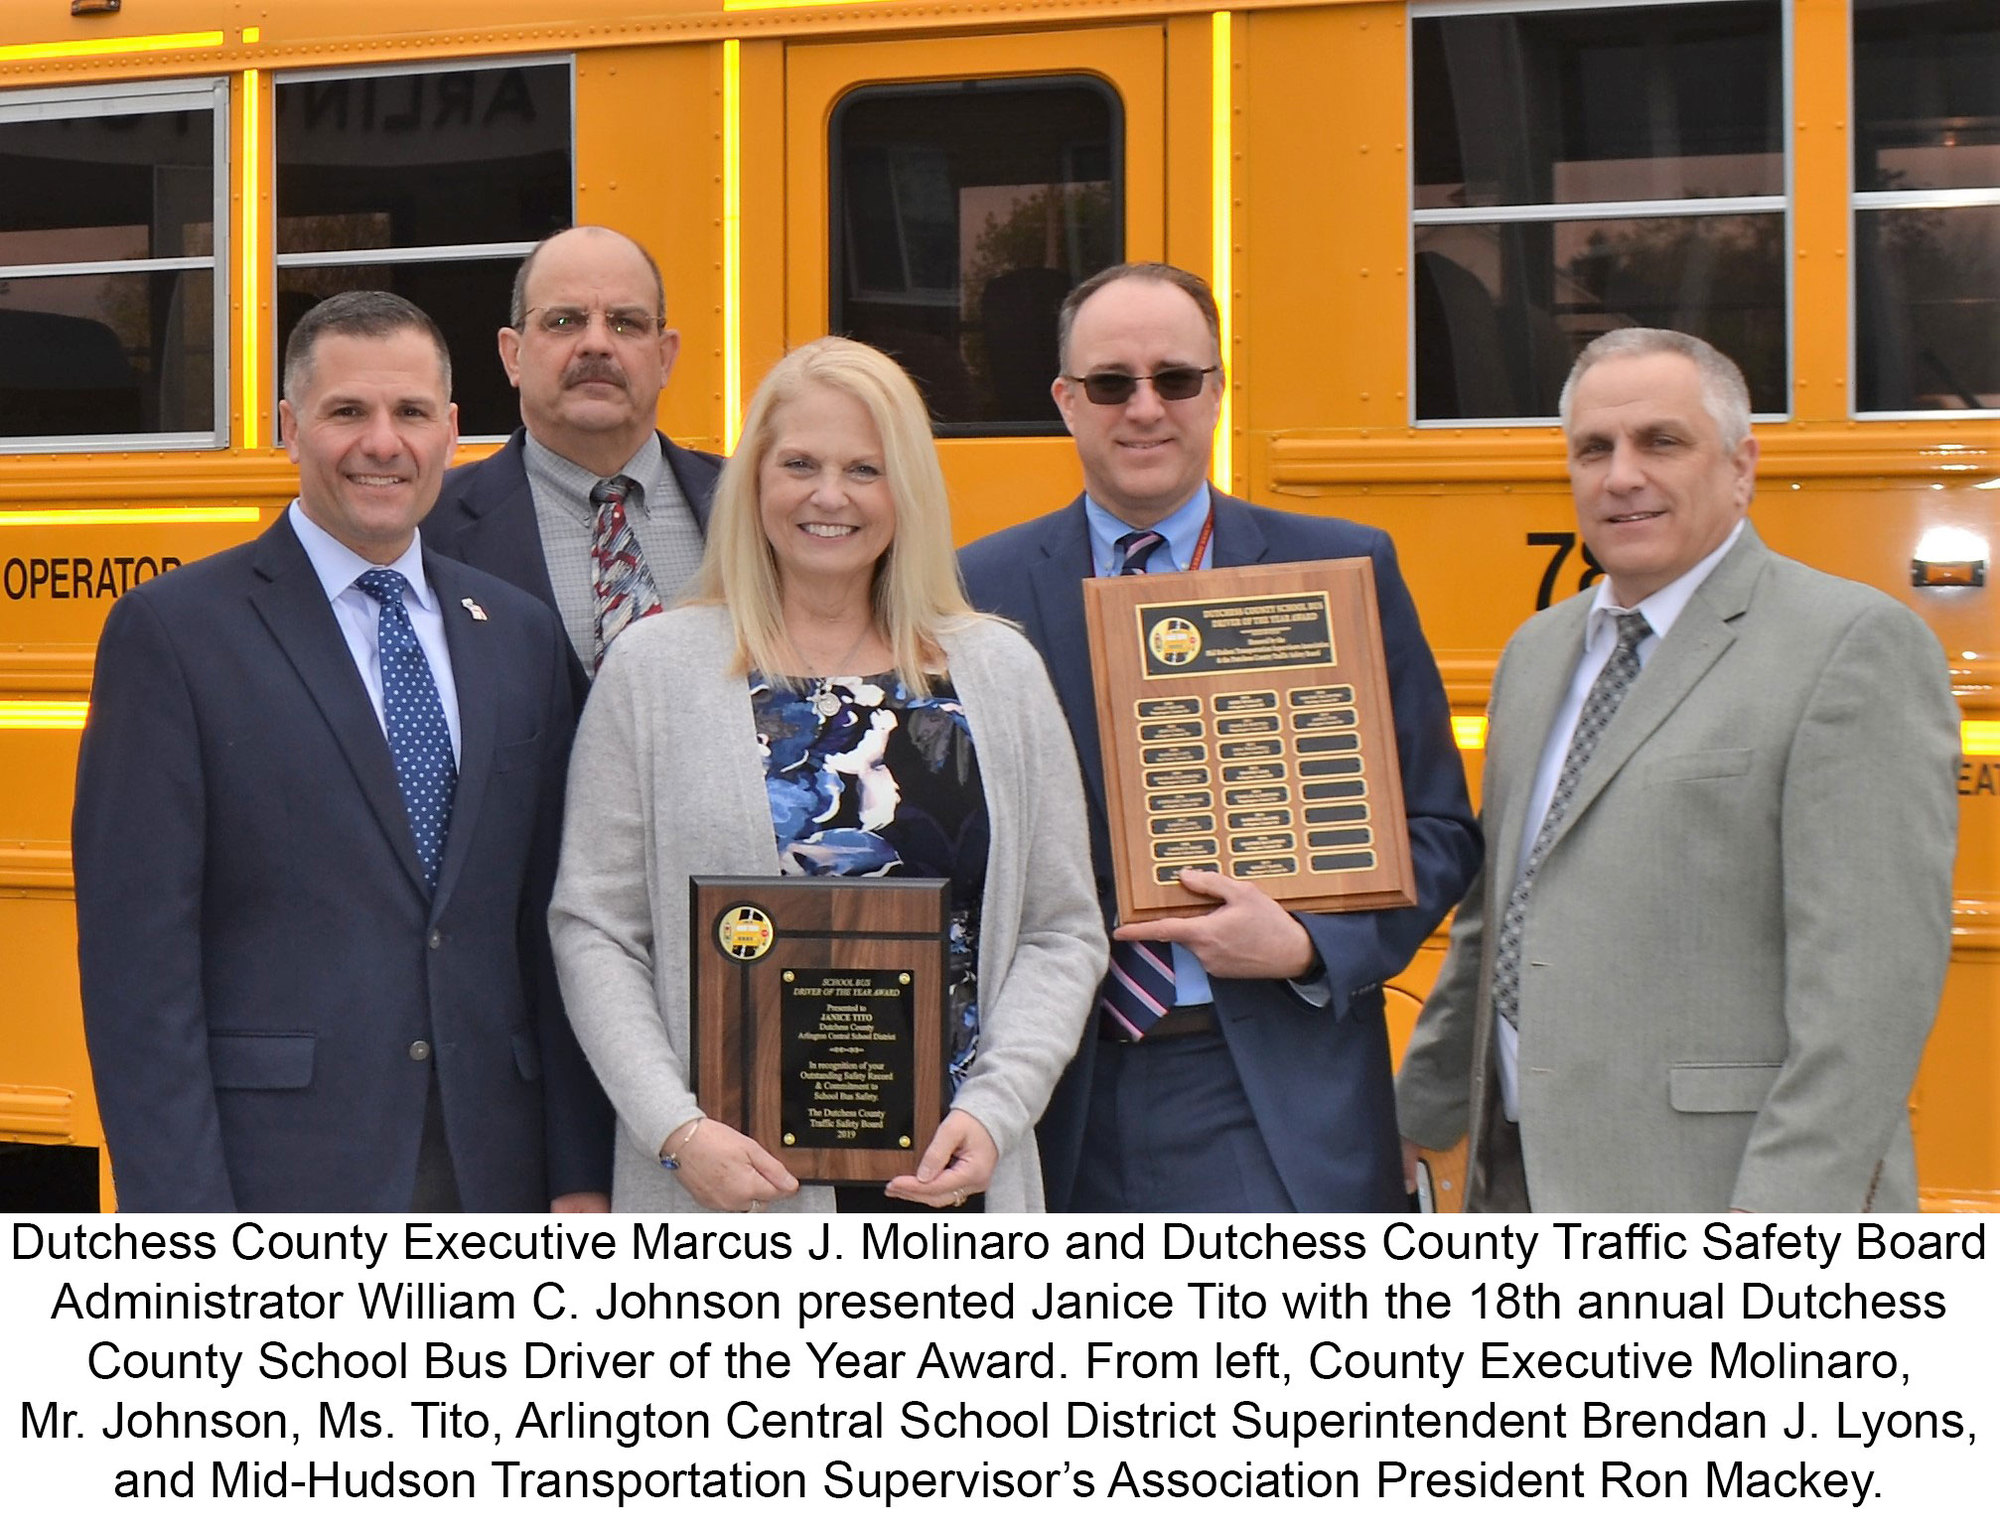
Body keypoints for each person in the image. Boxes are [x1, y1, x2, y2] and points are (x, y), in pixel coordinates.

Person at [1396, 328, 1959, 1212]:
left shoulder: (1852, 647)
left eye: (1661, 441)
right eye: (1594, 449)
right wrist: (1414, 1116)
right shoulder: (1538, 654)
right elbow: (1496, 918)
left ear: (1741, 467)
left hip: (1721, 1196)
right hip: (1519, 1177)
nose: (1621, 475)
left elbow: (1867, 1001)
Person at [959, 263, 1480, 1212]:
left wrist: (1309, 944)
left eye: (1177, 379)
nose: (1145, 409)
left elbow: (1439, 829)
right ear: (1066, 403)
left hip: (1275, 1091)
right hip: (1053, 1097)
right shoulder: (972, 591)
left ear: (1218, 391)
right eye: (1112, 383)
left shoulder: (1343, 566)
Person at [72, 292, 609, 1212]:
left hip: (497, 1170)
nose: (381, 443)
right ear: (290, 428)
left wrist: (577, 1173)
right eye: (347, 412)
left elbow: (550, 924)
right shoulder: (173, 634)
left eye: (409, 414)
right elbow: (138, 974)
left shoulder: (516, 633)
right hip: (279, 1178)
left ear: (450, 431)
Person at [549, 337, 1106, 1212]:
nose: (828, 496)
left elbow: (1061, 929)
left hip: (951, 1187)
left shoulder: (1000, 671)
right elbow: (596, 928)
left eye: (864, 469)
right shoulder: (654, 668)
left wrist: (998, 1111)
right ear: (754, 481)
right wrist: (675, 1130)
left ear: (908, 489)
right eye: (799, 463)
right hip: (727, 1197)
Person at [425, 226, 722, 702]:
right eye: (564, 322)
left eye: (627, 323)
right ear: (512, 355)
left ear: (665, 357)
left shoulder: (751, 505)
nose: (597, 344)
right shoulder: (428, 526)